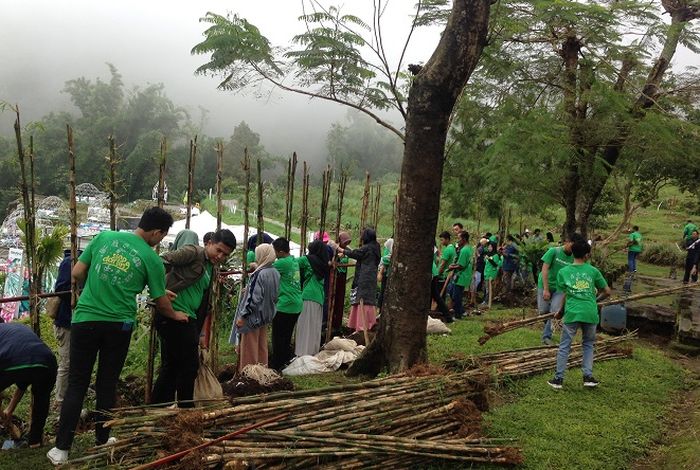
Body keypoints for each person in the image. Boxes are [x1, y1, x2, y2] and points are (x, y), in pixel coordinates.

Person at [48, 207, 187, 466]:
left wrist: (97, 287)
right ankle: (102, 439)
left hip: (86, 319)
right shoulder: (151, 258)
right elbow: (160, 301)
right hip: (118, 325)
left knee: (77, 383)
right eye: (161, 236)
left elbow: (77, 273)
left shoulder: (103, 238)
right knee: (107, 382)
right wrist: (176, 315)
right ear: (157, 232)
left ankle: (61, 450)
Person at [151, 229, 235, 407]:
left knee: (174, 365)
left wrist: (201, 332)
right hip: (173, 315)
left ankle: (160, 407)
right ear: (209, 243)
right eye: (218, 250)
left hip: (188, 318)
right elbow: (159, 261)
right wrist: (160, 291)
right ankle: (184, 409)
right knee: (188, 366)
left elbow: (203, 300)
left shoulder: (210, 266)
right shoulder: (193, 252)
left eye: (225, 254)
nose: (220, 256)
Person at [547, 239, 611, 390]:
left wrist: (561, 312)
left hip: (572, 313)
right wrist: (595, 301)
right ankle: (588, 377)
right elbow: (607, 292)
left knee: (564, 346)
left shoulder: (564, 272)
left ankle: (558, 379)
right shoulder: (593, 271)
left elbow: (565, 295)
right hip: (590, 312)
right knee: (588, 344)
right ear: (587, 255)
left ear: (572, 253)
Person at [0, 320, 57, 448]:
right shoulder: (16, 328)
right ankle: (35, 441)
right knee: (41, 400)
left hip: (13, 359)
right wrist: (9, 410)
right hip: (47, 361)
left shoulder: (4, 335)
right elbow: (23, 379)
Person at [230, 243, 279, 369]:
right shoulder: (274, 272)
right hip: (265, 315)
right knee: (261, 346)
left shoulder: (258, 274)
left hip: (252, 317)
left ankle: (249, 375)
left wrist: (242, 316)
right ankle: (262, 371)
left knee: (249, 348)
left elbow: (253, 299)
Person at [52, 248, 82, 409]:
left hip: (75, 321)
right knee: (67, 362)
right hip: (66, 320)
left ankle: (67, 395)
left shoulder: (74, 261)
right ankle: (60, 399)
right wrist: (78, 295)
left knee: (74, 361)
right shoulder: (69, 263)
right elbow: (61, 290)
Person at [537, 234, 578, 345]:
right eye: (572, 245)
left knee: (554, 312)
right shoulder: (553, 251)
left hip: (560, 288)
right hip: (545, 283)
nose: (573, 248)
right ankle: (548, 324)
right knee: (543, 312)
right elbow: (544, 269)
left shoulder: (575, 257)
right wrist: (546, 289)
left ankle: (546, 336)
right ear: (567, 242)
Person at [339, 228, 381, 334]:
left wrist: (339, 249)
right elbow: (357, 253)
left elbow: (355, 254)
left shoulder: (367, 248)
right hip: (371, 278)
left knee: (363, 300)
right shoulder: (376, 247)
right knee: (368, 300)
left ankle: (362, 327)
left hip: (364, 278)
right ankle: (369, 323)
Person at [270, 237, 303, 371]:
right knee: (286, 335)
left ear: (281, 252)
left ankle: (277, 364)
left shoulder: (282, 263)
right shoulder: (294, 260)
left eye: (275, 251)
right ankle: (284, 361)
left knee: (278, 336)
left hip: (285, 305)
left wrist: (254, 265)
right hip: (296, 304)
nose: (274, 254)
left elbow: (265, 268)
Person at [295, 240, 329, 356]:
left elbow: (293, 263)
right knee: (314, 326)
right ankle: (312, 352)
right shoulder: (324, 262)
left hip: (307, 295)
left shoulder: (307, 260)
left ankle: (301, 353)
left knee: (304, 326)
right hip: (319, 297)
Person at [330, 232, 352, 335]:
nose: (346, 244)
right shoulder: (334, 248)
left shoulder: (347, 250)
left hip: (342, 277)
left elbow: (353, 253)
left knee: (340, 299)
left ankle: (337, 324)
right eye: (345, 242)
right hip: (335, 277)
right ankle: (331, 322)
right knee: (333, 299)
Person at [449, 231, 473, 319]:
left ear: (464, 239)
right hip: (463, 275)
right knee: (452, 292)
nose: (458, 241)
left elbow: (461, 265)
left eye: (459, 238)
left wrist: (452, 267)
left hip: (461, 276)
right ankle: (461, 311)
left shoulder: (464, 250)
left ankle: (458, 314)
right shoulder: (468, 248)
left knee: (456, 296)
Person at [436, 231, 456, 300]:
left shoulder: (447, 250)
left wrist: (437, 275)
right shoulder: (453, 248)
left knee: (439, 294)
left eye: (442, 240)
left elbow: (442, 264)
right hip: (448, 275)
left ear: (447, 239)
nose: (441, 242)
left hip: (443, 275)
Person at [470, 238, 488, 307]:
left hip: (479, 269)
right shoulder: (480, 249)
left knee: (476, 283)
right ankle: (472, 300)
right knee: (475, 283)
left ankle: (473, 300)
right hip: (478, 269)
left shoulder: (481, 248)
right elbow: (477, 257)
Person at [481, 243, 501, 308]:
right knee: (486, 288)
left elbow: (495, 264)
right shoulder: (488, 254)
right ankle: (486, 300)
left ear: (493, 247)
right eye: (488, 247)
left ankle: (487, 301)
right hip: (486, 273)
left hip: (491, 273)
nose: (489, 248)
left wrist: (489, 259)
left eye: (490, 247)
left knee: (489, 288)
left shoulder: (495, 255)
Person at [377, 237, 393, 310]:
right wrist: (381, 271)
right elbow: (384, 259)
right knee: (383, 292)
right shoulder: (390, 242)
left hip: (389, 273)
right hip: (387, 273)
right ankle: (380, 310)